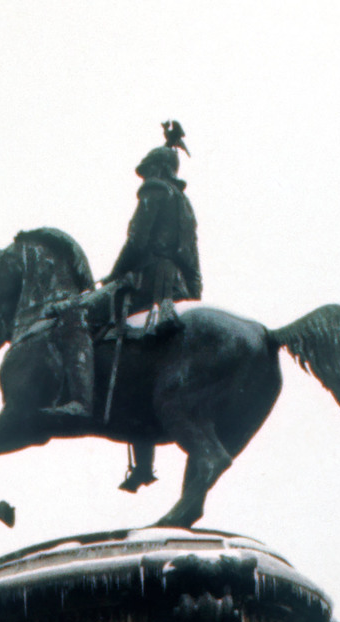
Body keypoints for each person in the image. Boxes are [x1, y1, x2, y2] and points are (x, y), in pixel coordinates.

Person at [108, 122, 201, 494]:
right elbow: (192, 251)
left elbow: (136, 240)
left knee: (105, 332)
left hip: (148, 280)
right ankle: (142, 465)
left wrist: (114, 275)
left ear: (157, 170)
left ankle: (77, 401)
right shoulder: (184, 203)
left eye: (147, 170)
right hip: (176, 285)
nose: (143, 177)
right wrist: (194, 288)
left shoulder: (154, 192)